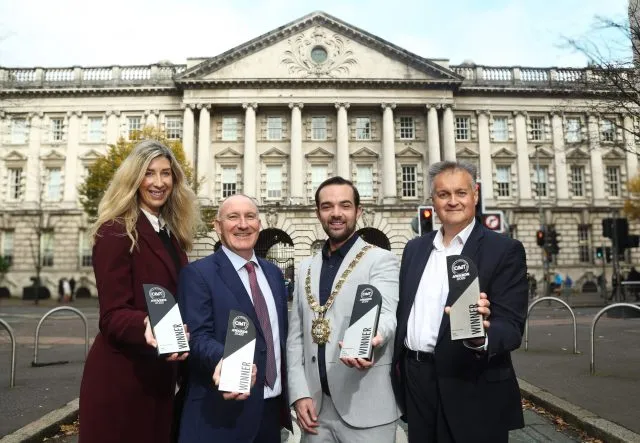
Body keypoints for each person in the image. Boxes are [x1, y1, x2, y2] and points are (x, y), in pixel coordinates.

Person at [392, 161, 528, 443]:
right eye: (443, 195)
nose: (452, 201)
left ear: (475, 195)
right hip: (417, 382)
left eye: (461, 193)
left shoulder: (504, 249)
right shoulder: (414, 248)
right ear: (433, 200)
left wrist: (481, 336)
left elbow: (511, 326)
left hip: (470, 382)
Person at [79, 140, 200, 443]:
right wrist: (144, 324)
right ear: (134, 178)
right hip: (122, 381)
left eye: (166, 173)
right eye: (149, 173)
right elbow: (111, 316)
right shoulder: (115, 231)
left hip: (160, 378)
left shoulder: (172, 234)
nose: (159, 182)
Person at [287, 176, 401, 443]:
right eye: (327, 206)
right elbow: (295, 339)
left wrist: (376, 338)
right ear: (318, 213)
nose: (336, 214)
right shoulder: (305, 267)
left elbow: (386, 313)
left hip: (366, 409)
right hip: (315, 410)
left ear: (358, 211)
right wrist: (299, 392)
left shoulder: (380, 260)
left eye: (345, 205)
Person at [177, 194, 292, 443]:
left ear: (259, 225)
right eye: (233, 217)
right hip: (219, 414)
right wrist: (227, 361)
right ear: (217, 226)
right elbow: (196, 337)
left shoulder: (273, 273)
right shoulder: (197, 274)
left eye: (250, 217)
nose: (243, 224)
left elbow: (277, 337)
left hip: (270, 411)